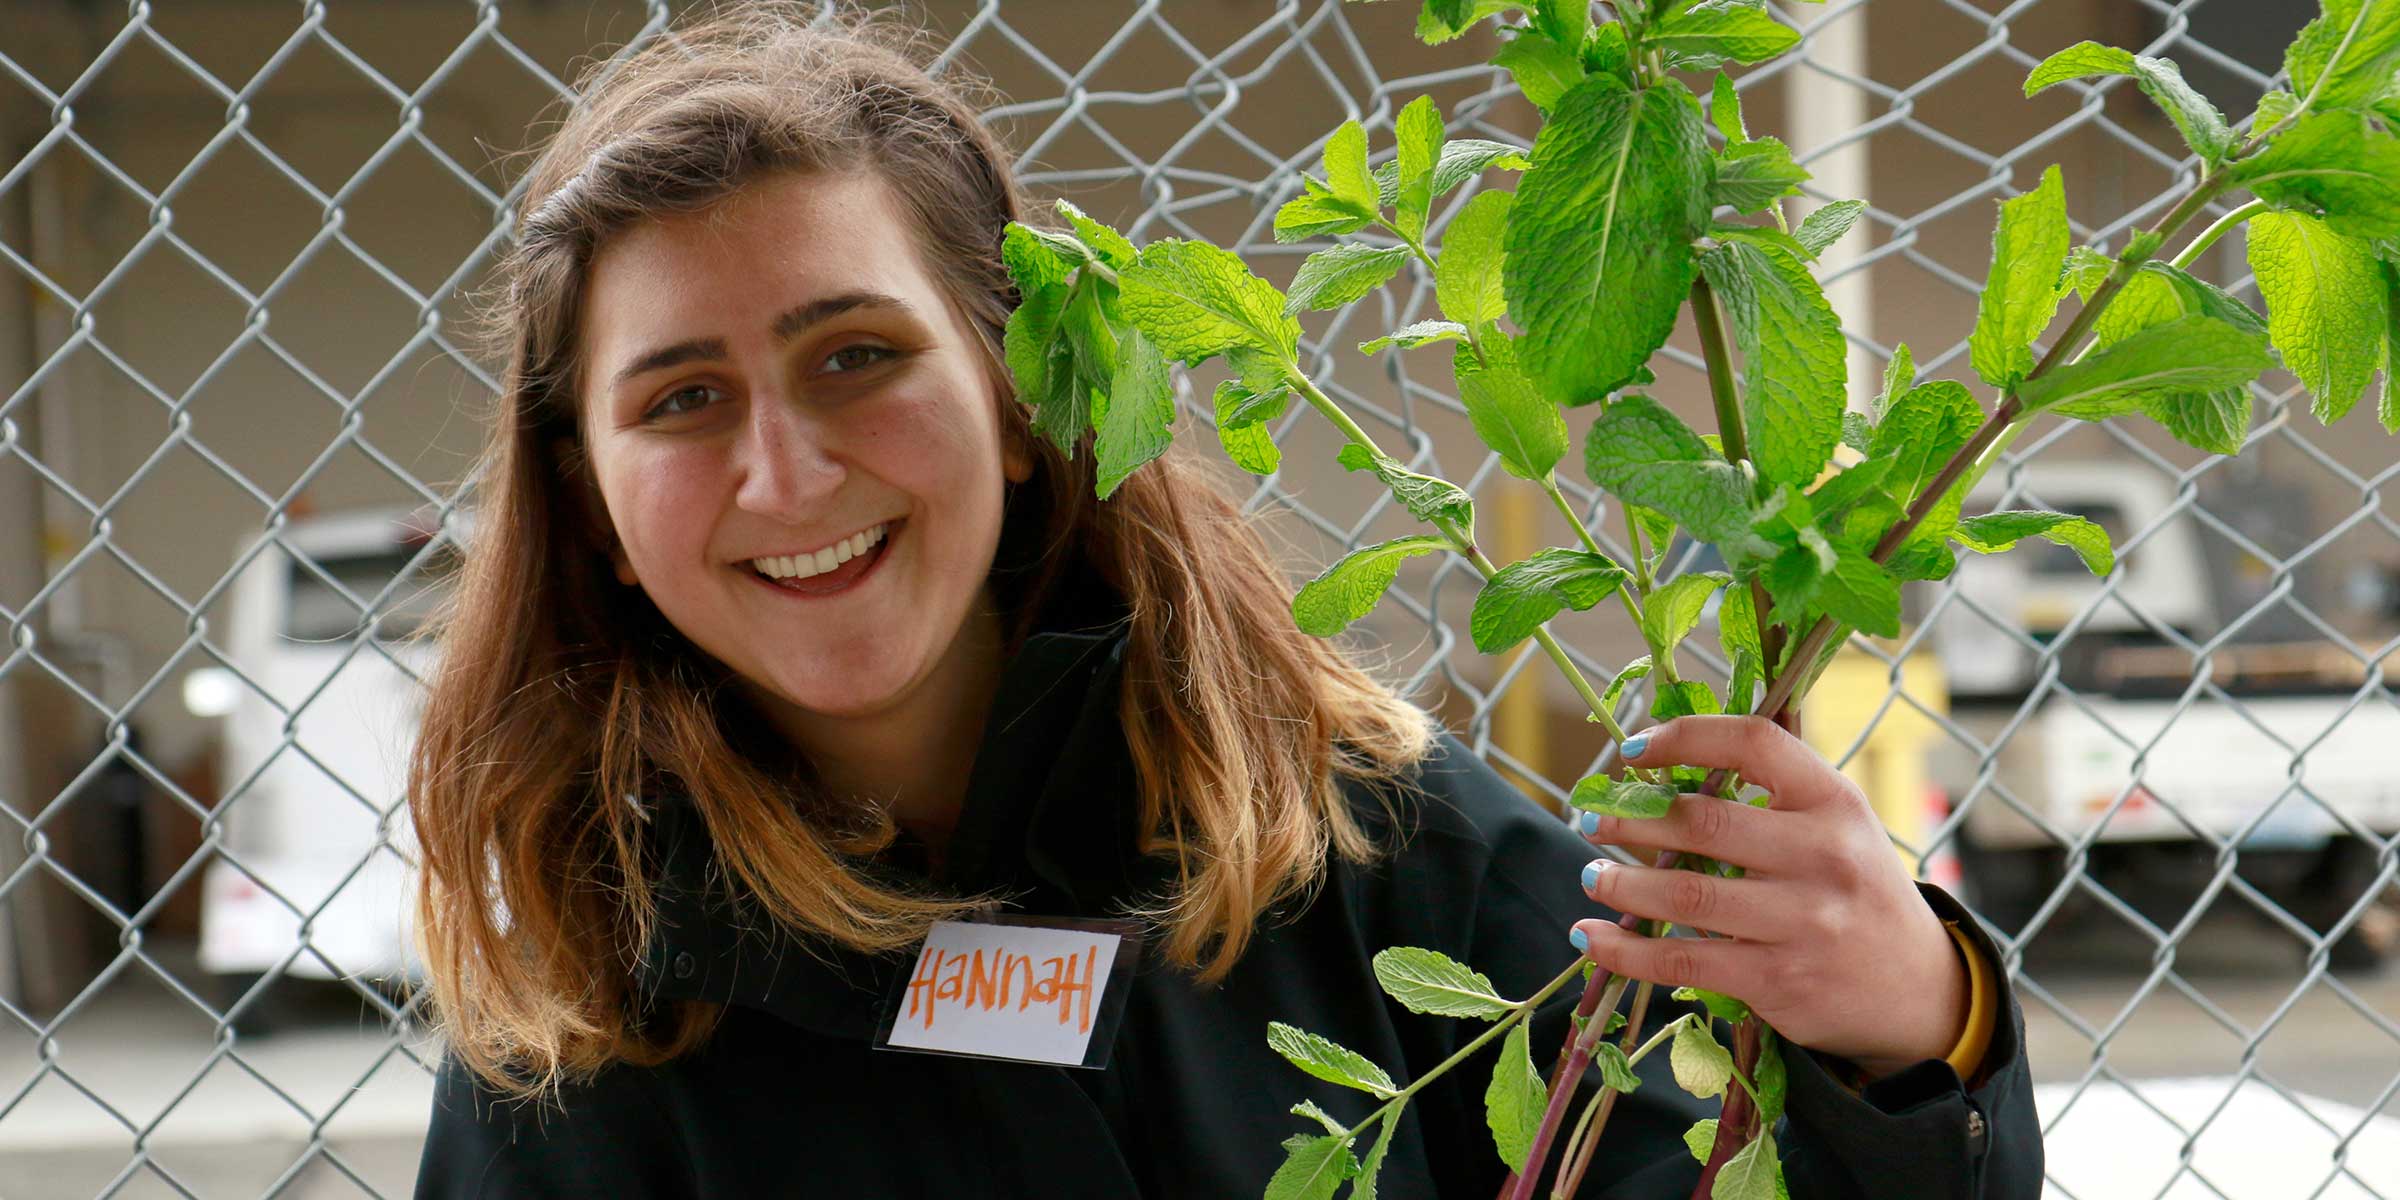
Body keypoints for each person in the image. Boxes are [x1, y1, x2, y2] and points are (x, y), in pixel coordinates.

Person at [405, 4, 2040, 1196]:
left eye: (858, 354)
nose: (785, 473)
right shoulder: (577, 1019)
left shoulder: (1385, 852)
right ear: (593, 509)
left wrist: (1910, 1041)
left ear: (1022, 398)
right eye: (680, 399)